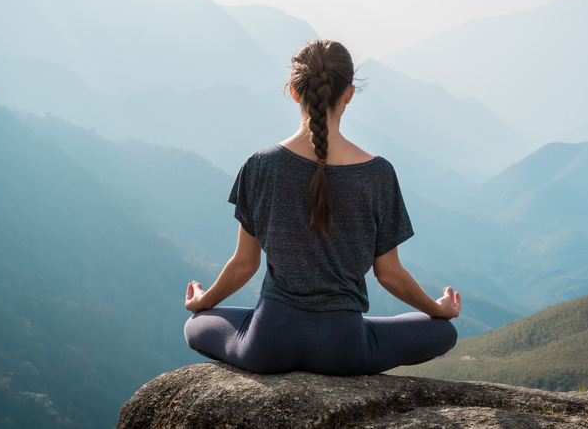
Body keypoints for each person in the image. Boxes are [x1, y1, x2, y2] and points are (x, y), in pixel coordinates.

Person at [184, 39, 461, 376]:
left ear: (294, 92)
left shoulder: (260, 166)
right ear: (348, 94)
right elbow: (388, 274)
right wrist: (436, 307)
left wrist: (204, 301)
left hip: (268, 343)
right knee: (443, 332)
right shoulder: (378, 174)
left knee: (196, 326)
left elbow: (244, 265)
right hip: (344, 349)